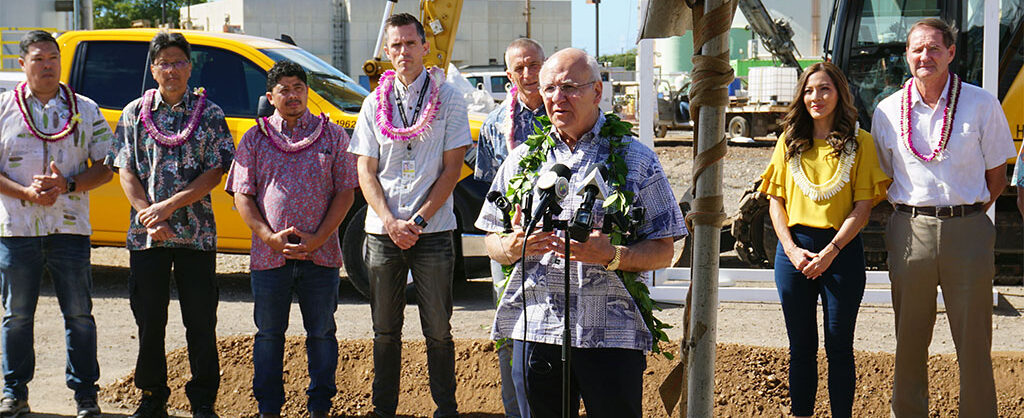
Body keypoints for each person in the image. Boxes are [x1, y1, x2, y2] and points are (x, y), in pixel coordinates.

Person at [474, 48, 686, 418]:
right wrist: (508, 247)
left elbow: (665, 249)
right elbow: (491, 237)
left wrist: (612, 256)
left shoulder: (636, 159)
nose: (557, 98)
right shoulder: (524, 158)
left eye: (570, 87)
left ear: (597, 92)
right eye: (550, 88)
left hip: (610, 332)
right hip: (537, 328)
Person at [871, 18, 1015, 417]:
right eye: (917, 48)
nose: (925, 56)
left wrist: (966, 216)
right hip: (908, 230)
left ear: (951, 53)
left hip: (967, 228)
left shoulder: (981, 103)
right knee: (909, 339)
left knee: (973, 341)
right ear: (906, 56)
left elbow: (997, 176)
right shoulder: (886, 112)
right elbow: (884, 177)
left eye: (935, 48)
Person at [347, 13, 471, 418]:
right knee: (385, 330)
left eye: (409, 43)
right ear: (387, 51)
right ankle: (384, 409)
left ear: (424, 46)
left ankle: (446, 408)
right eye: (395, 45)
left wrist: (416, 222)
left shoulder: (449, 98)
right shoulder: (372, 102)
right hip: (382, 232)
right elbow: (365, 169)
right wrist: (389, 221)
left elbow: (452, 169)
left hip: (432, 231)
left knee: (438, 329)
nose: (403, 52)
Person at [112, 31, 235, 418]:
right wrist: (149, 214)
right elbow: (125, 168)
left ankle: (203, 401)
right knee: (150, 320)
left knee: (200, 320)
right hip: (147, 237)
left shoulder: (210, 113)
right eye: (164, 62)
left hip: (196, 237)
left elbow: (216, 171)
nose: (172, 69)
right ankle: (152, 397)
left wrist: (168, 206)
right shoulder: (133, 112)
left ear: (190, 67)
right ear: (153, 69)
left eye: (179, 61)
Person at [758, 62, 890, 418]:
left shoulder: (860, 143)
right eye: (809, 90)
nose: (816, 97)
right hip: (795, 252)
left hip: (841, 251)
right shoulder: (788, 141)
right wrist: (790, 249)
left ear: (840, 93)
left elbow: (862, 208)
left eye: (825, 89)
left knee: (839, 347)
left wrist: (830, 252)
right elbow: (775, 202)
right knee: (800, 348)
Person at [226, 60, 357, 418]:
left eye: (298, 87)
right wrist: (269, 237)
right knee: (269, 335)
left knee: (322, 333)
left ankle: (320, 406)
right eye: (284, 89)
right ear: (270, 96)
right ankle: (269, 408)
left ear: (307, 92)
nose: (293, 95)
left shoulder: (333, 136)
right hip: (270, 258)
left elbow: (346, 192)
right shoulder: (254, 138)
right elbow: (242, 195)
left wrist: (319, 238)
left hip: (322, 256)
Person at [0, 30, 114, 418]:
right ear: (22, 65)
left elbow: (106, 166)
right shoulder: (3, 109)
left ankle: (85, 395)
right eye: (38, 59)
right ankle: (14, 392)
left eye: (53, 58)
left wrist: (68, 184)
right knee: (16, 316)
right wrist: (26, 193)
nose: (47, 65)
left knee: (79, 314)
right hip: (17, 230)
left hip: (70, 229)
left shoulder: (85, 108)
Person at [473, 37, 546, 418]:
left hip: (560, 243)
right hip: (511, 243)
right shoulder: (495, 125)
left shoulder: (565, 112)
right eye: (520, 68)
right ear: (508, 75)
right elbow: (490, 191)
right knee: (509, 327)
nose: (529, 74)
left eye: (534, 64)